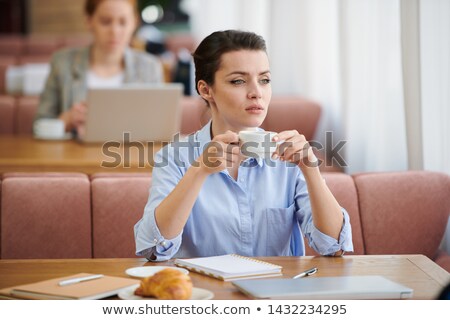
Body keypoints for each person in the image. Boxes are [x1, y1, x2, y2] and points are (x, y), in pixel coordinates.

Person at [134, 30, 353, 261]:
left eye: (264, 80)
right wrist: (198, 171)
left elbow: (333, 246)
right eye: (238, 81)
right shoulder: (173, 157)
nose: (257, 93)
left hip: (275, 293)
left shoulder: (288, 157)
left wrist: (311, 171)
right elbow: (154, 249)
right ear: (205, 89)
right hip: (207, 294)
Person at [35, 0, 164, 136]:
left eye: (123, 22)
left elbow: (159, 127)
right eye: (106, 22)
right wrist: (66, 120)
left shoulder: (150, 67)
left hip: (130, 154)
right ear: (89, 21)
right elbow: (38, 126)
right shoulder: (63, 63)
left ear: (134, 23)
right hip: (75, 155)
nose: (114, 31)